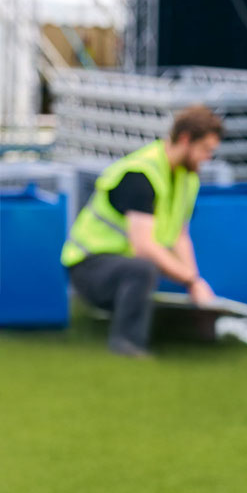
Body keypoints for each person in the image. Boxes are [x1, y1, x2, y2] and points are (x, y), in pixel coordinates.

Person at [63, 104, 223, 357]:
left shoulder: (186, 178)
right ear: (184, 139)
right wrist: (190, 280)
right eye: (205, 149)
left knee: (146, 271)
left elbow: (180, 236)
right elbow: (144, 247)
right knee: (143, 268)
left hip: (121, 265)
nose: (208, 157)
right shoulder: (140, 174)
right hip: (88, 266)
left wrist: (194, 283)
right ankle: (126, 343)